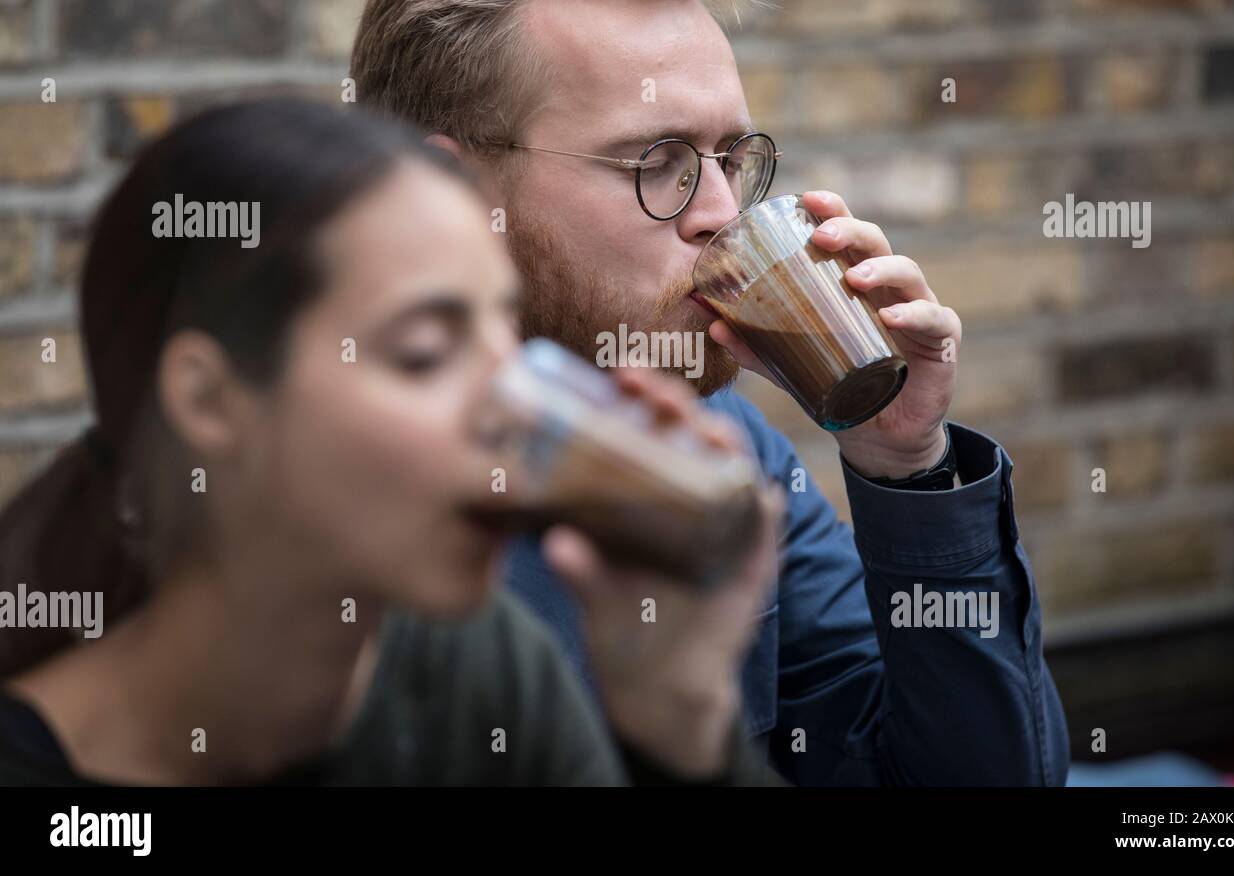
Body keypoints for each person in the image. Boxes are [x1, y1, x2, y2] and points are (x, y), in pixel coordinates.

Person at [351, 0, 1071, 785]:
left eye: (731, 156)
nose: (723, 213)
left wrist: (906, 466)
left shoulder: (719, 447)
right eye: (659, 161)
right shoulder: (331, 505)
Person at [0, 99, 780, 786]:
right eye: (423, 353)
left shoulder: (482, 672)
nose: (514, 404)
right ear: (210, 400)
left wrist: (681, 724)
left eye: (506, 336)